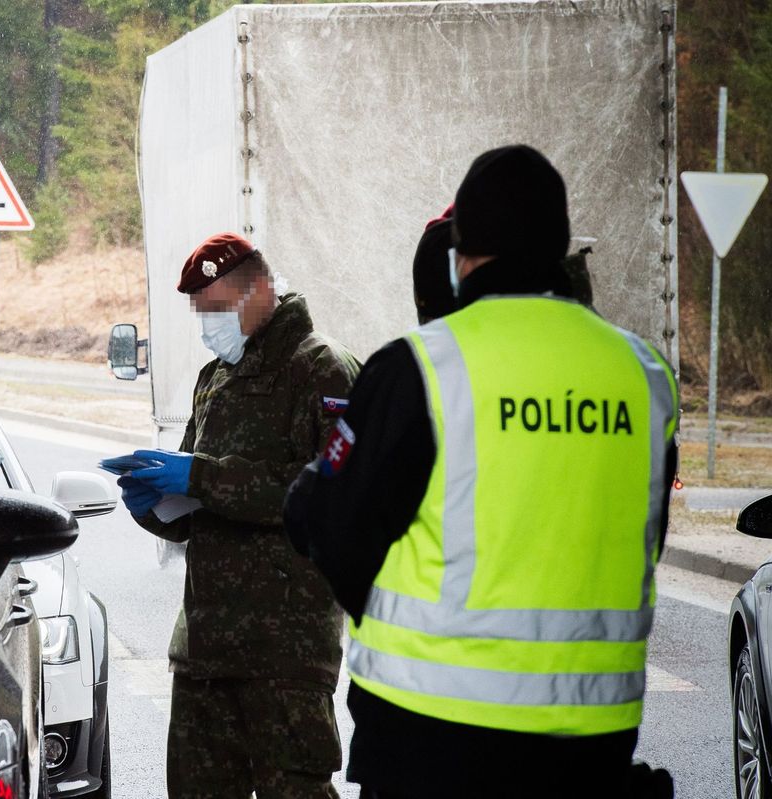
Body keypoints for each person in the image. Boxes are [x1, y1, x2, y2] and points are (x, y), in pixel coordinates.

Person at [285, 145, 678, 799]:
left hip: (431, 739)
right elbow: (647, 536)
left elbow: (328, 522)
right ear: (560, 247)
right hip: (592, 743)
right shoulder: (644, 375)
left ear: (459, 253)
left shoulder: (424, 366)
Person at [119, 232, 360, 798]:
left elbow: (334, 494)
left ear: (260, 291)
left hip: (286, 655)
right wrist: (154, 504)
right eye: (201, 311)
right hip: (204, 648)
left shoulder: (324, 371)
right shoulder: (216, 378)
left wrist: (202, 477)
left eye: (217, 308)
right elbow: (190, 500)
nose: (208, 324)